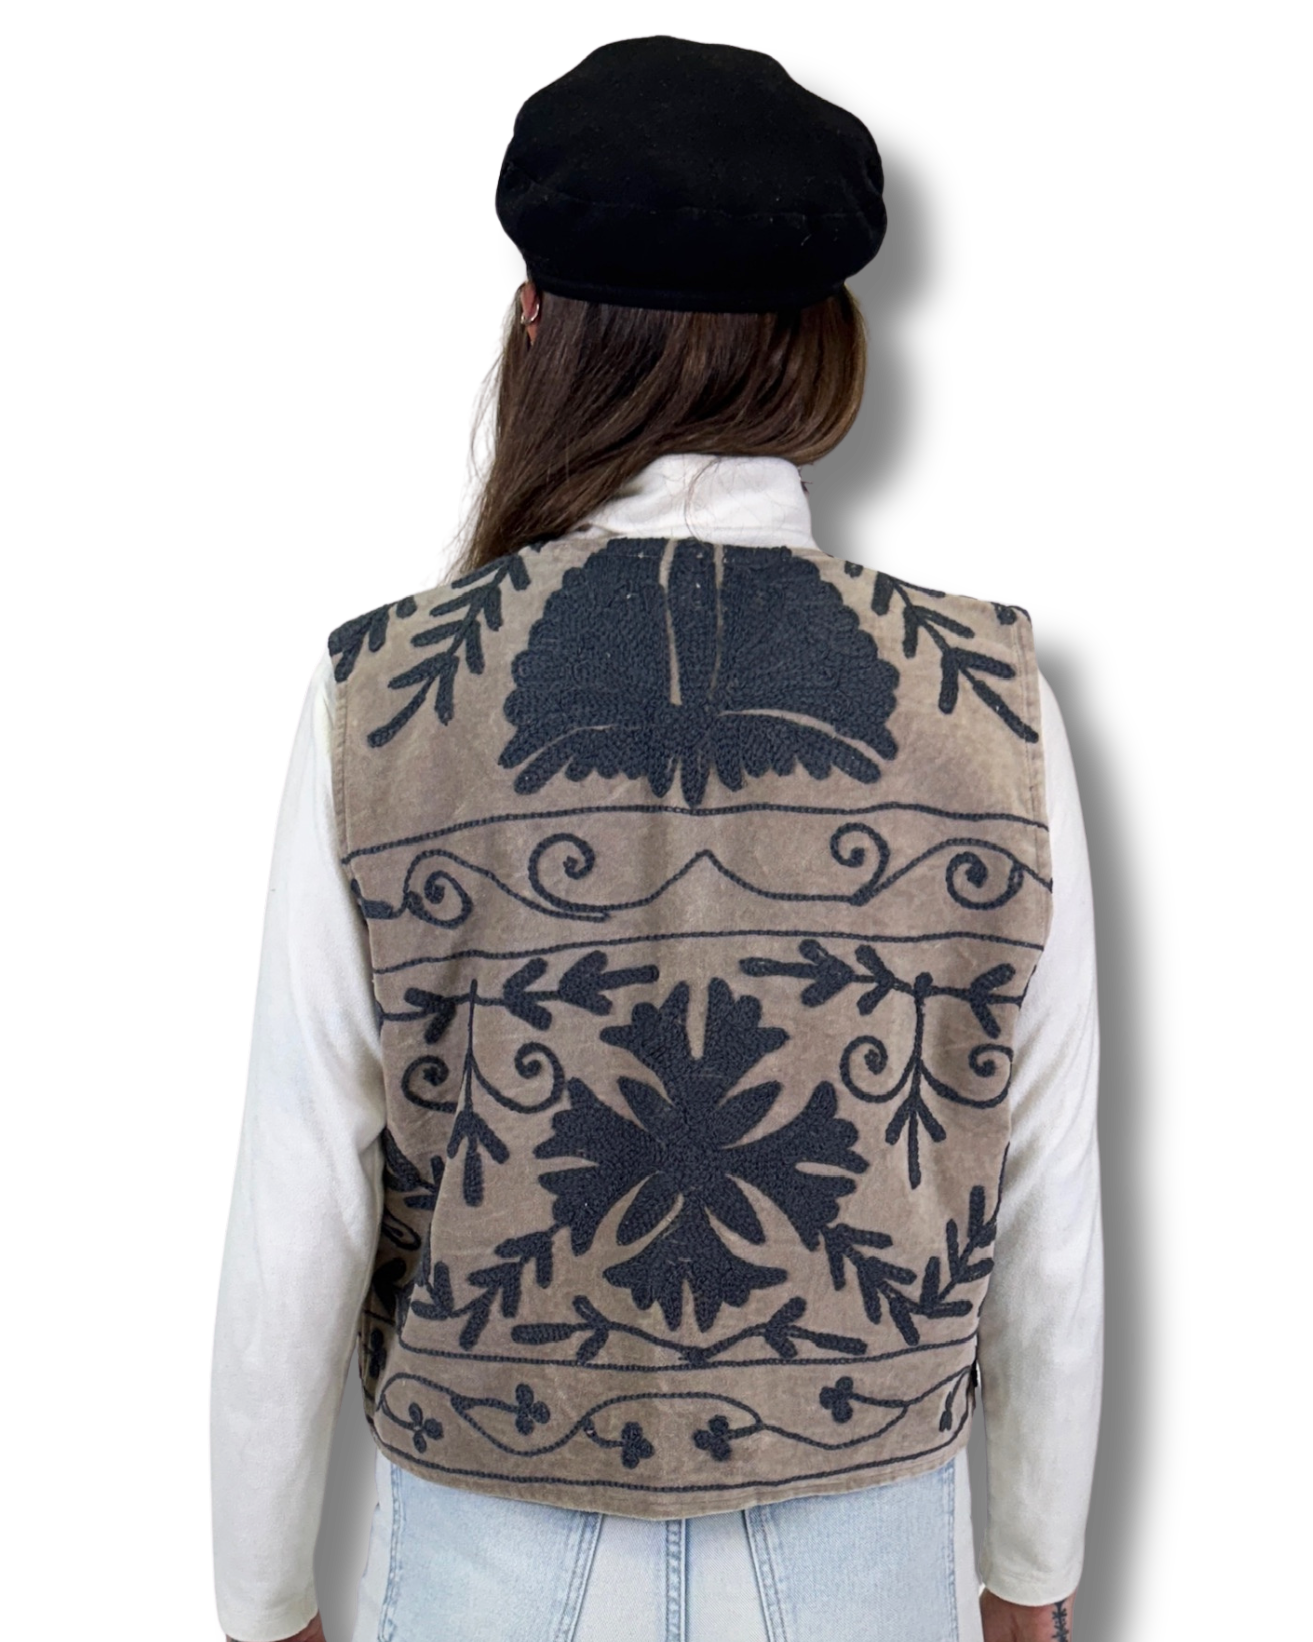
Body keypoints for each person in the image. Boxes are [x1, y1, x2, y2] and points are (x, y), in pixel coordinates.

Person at [212, 36, 1102, 1642]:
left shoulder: (380, 693)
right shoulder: (991, 695)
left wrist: (262, 1592)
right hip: (870, 1538)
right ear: (820, 341)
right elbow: (1040, 1180)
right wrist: (1031, 1564)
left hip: (485, 1538)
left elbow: (300, 1192)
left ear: (534, 325)